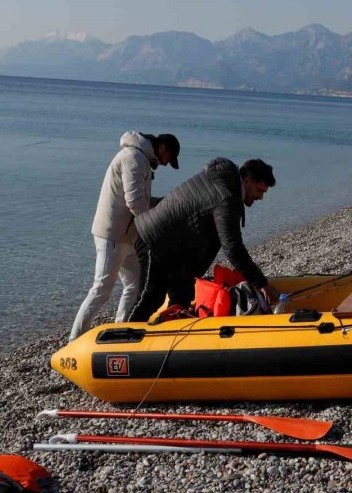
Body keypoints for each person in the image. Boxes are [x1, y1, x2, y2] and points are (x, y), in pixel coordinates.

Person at [127, 158, 276, 323]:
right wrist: (260, 283)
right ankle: (122, 338)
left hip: (175, 249)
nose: (260, 197)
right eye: (259, 191)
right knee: (151, 297)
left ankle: (171, 338)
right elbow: (232, 247)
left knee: (182, 296)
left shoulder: (227, 183)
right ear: (247, 180)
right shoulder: (226, 197)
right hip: (154, 239)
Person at [68, 131, 180, 340]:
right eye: (168, 158)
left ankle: (121, 330)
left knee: (134, 285)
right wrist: (153, 226)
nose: (166, 164)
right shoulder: (133, 158)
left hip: (127, 237)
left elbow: (141, 201)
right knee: (101, 289)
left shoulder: (142, 159)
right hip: (111, 235)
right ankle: (74, 339)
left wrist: (163, 203)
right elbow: (135, 203)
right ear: (162, 148)